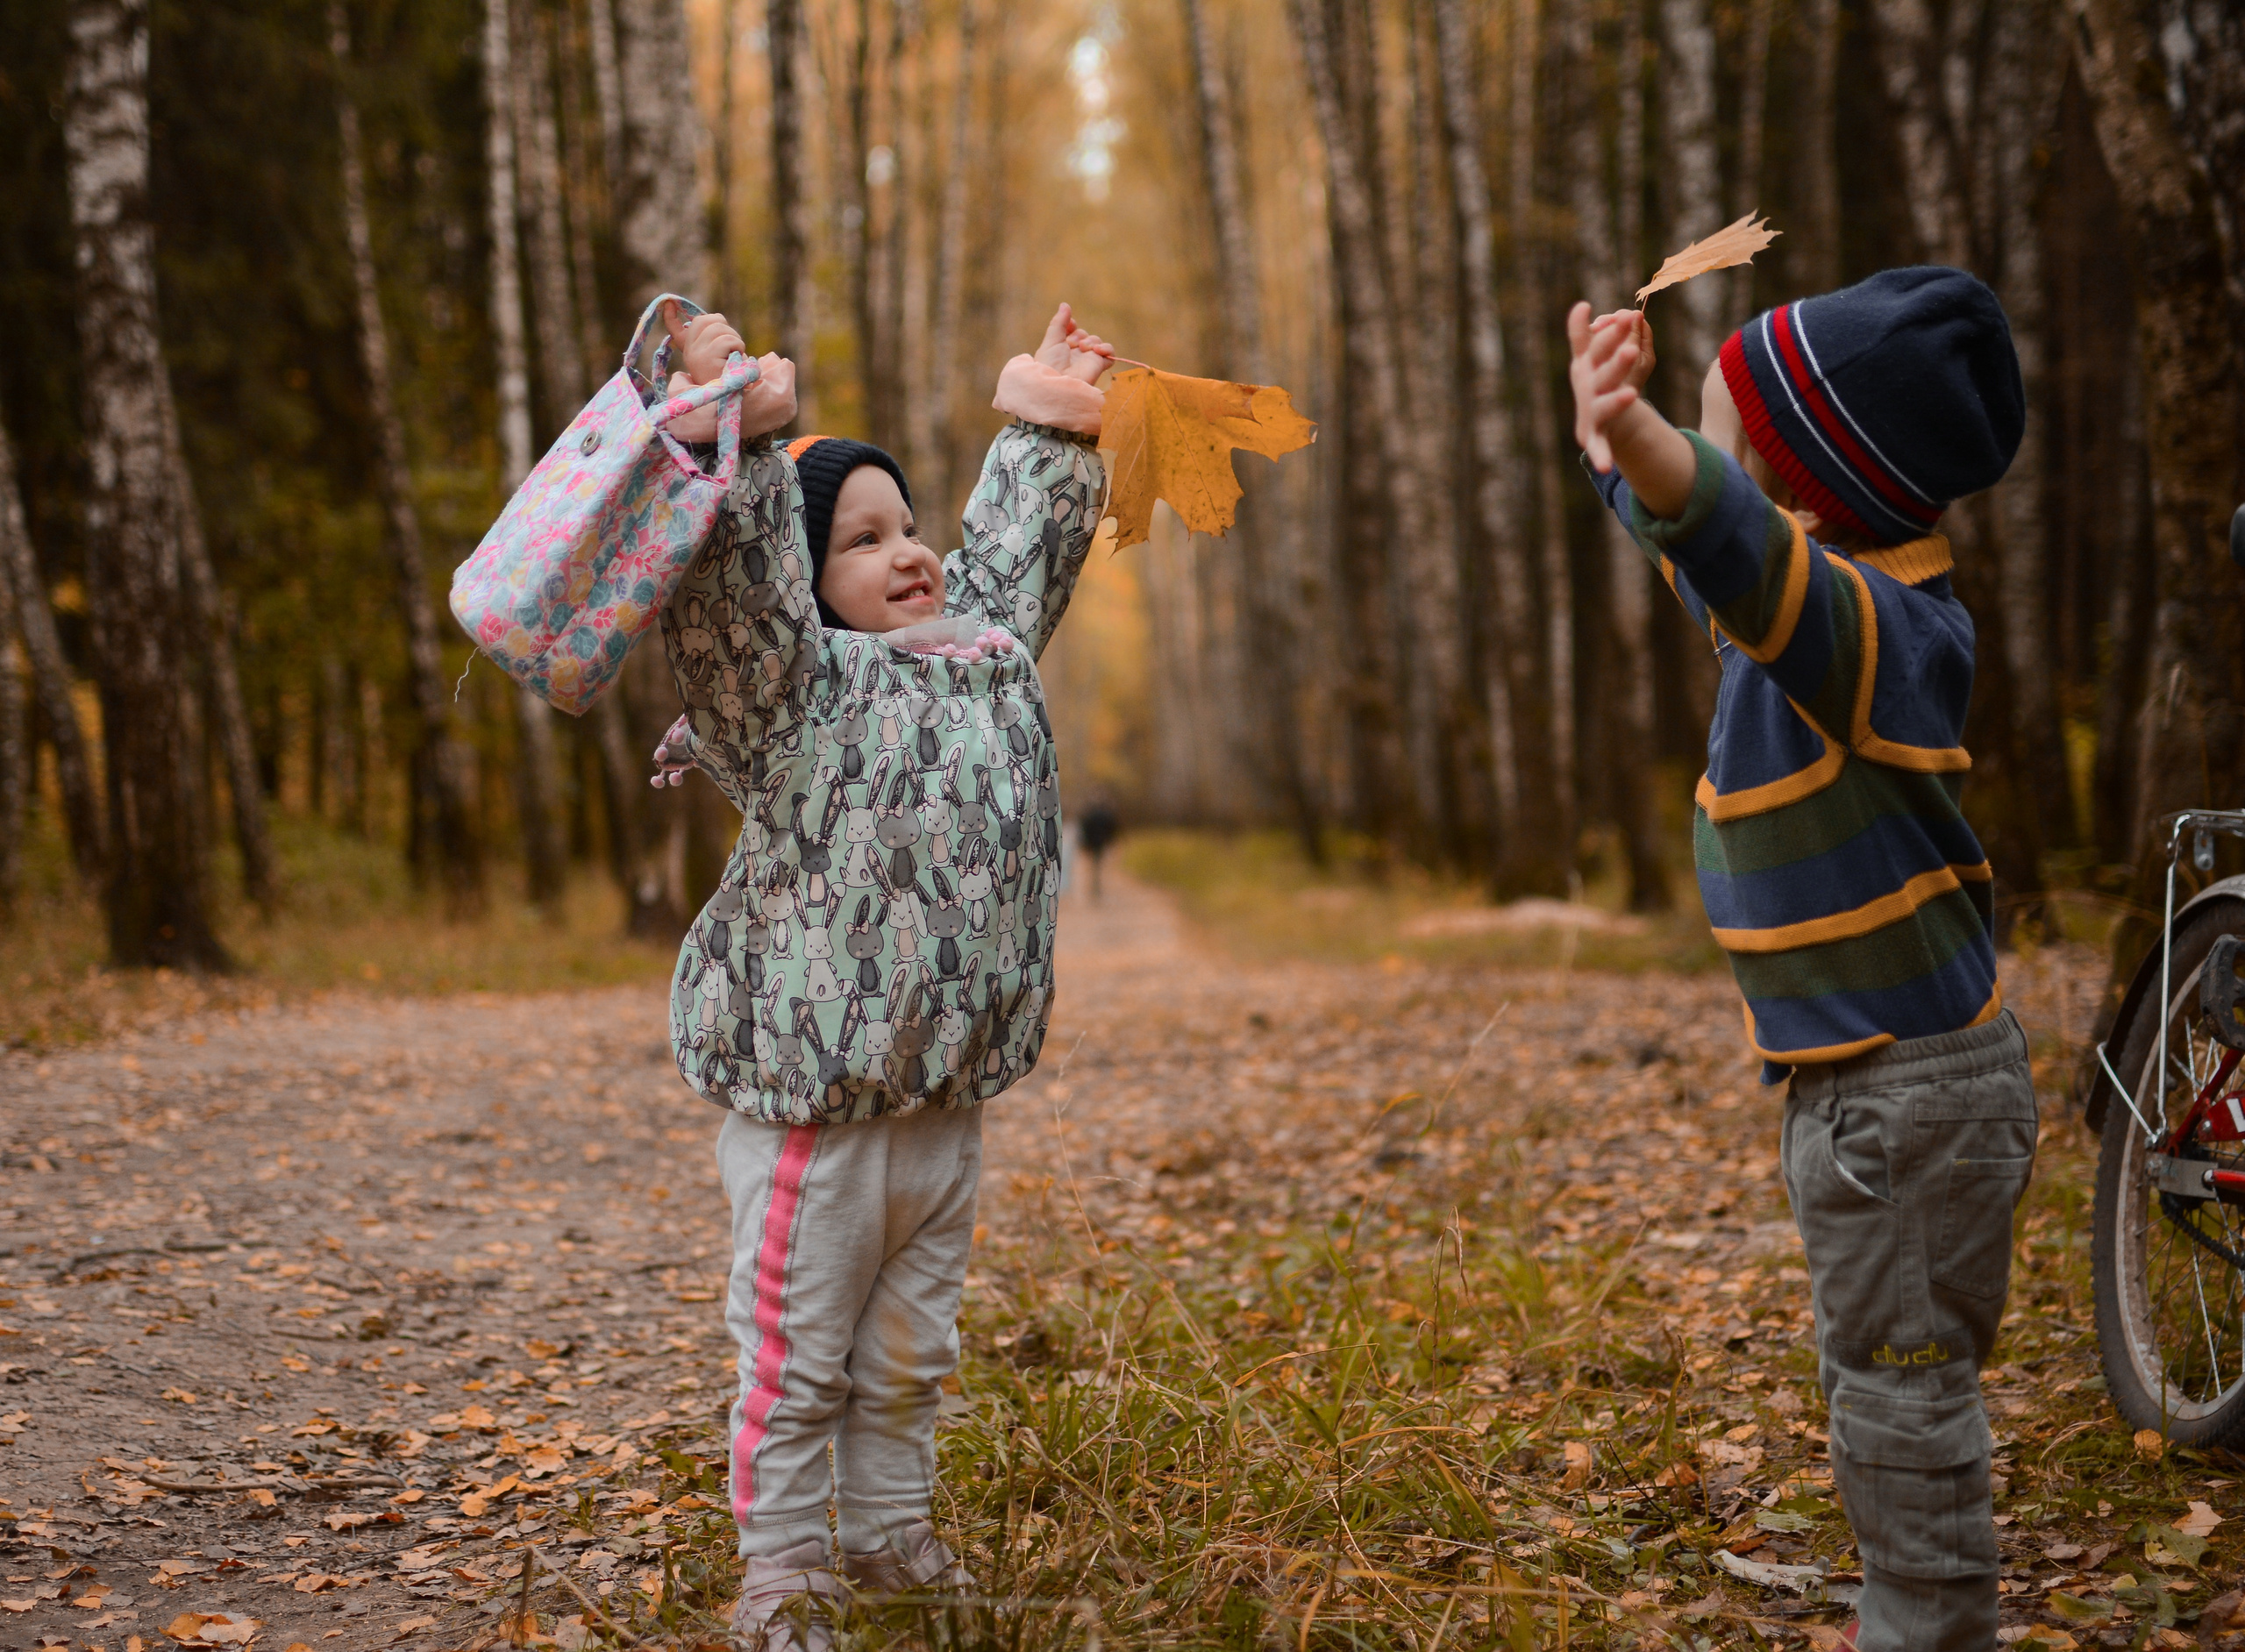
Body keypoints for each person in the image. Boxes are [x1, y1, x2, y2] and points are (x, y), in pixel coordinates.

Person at [1567, 269, 2038, 1652]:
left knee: (1900, 1388)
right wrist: (1609, 437)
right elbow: (1694, 534)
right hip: (1872, 1093)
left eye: (1712, 439)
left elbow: (1723, 538)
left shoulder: (1875, 637)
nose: (1690, 471)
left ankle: (1930, 1621)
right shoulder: (1800, 610)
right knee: (1883, 1369)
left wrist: (1655, 448)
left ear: (1806, 500)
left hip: (1908, 1097)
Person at [643, 300, 1113, 1648]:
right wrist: (738, 429)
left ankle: (891, 1534)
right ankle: (784, 1569)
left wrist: (1047, 419)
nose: (911, 553)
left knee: (911, 1357)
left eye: (911, 528)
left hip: (943, 1107)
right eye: (864, 540)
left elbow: (1016, 558)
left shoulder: (982, 664)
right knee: (798, 1365)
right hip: (814, 1121)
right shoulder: (789, 692)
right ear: (801, 580)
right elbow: (730, 604)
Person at [1077, 800, 1119, 901]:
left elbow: (1084, 830)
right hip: (1101, 843)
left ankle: (1093, 886)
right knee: (1098, 864)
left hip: (1091, 843)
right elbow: (1112, 829)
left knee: (1092, 865)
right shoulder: (1106, 816)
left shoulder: (1089, 816)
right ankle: (1096, 886)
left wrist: (1084, 844)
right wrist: (1109, 841)